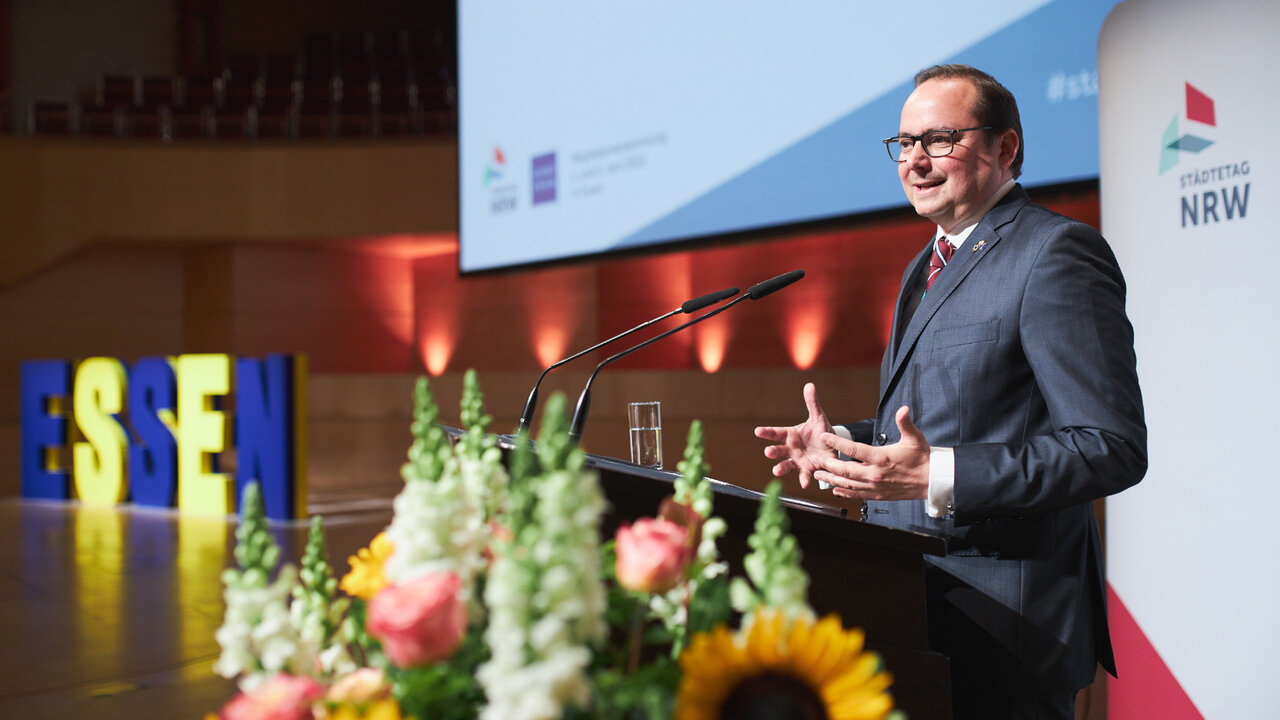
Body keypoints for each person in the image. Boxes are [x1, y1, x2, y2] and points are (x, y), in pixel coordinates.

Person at [755, 64, 1146, 719]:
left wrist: (936, 474)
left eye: (939, 140)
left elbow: (1109, 447)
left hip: (1008, 629)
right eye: (904, 143)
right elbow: (936, 417)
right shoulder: (926, 262)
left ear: (1006, 148)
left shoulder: (1056, 255)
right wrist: (846, 441)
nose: (915, 160)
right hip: (914, 614)